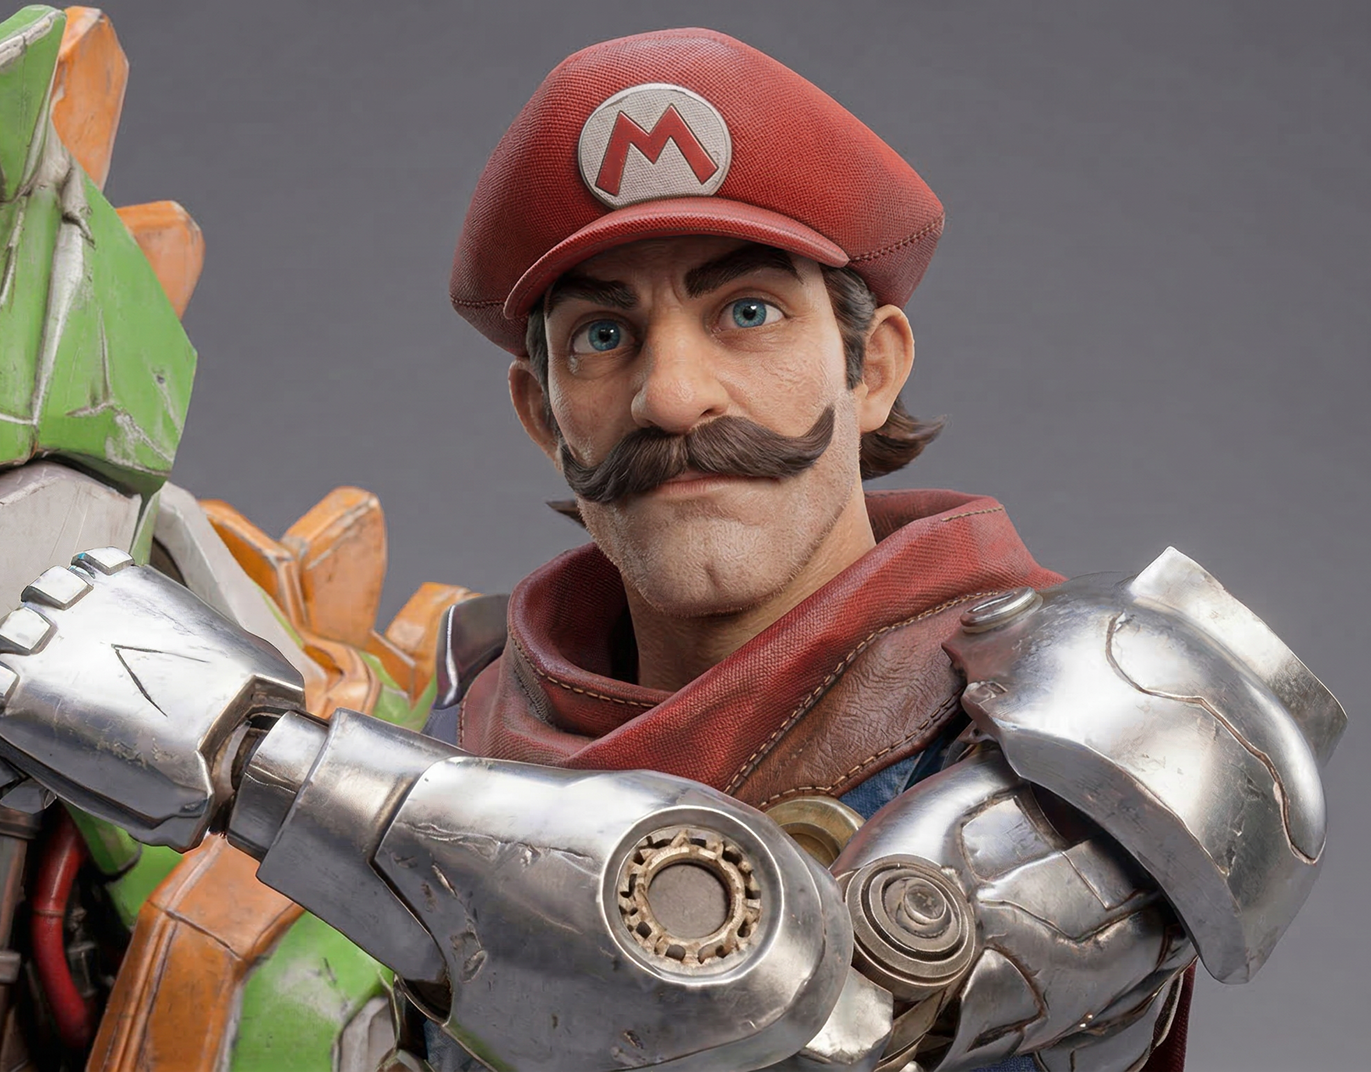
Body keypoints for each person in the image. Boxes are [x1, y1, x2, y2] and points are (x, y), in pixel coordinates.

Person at [0, 25, 1341, 1072]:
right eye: (602, 336)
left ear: (872, 367)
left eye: (746, 311)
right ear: (541, 412)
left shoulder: (1120, 711)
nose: (673, 395)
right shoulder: (445, 716)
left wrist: (239, 748)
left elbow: (807, 1018)